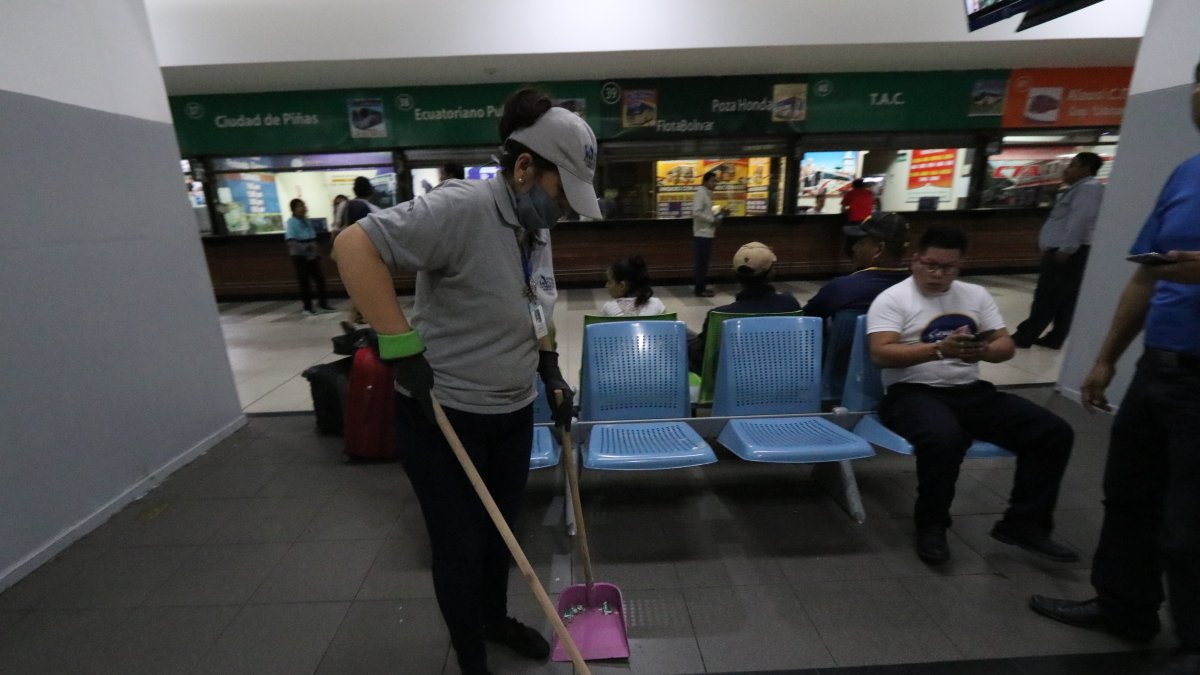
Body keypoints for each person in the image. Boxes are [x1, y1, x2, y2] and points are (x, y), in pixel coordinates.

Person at [333, 88, 601, 675]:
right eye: (563, 195)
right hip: (444, 414)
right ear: (525, 166)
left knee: (502, 535)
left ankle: (492, 618)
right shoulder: (462, 207)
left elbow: (537, 302)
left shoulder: (535, 225)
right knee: (460, 545)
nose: (566, 212)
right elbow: (353, 246)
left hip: (510, 410)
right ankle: (472, 656)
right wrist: (401, 345)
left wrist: (549, 366)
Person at [1029, 66, 1200, 675]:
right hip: (1160, 369)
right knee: (1129, 497)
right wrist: (1105, 357)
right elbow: (1144, 274)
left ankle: (1193, 644)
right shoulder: (1186, 172)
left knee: (1189, 526)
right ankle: (1123, 607)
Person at [867, 226, 1076, 566]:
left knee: (1053, 432)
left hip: (969, 391)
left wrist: (982, 351)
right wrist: (938, 350)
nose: (937, 274)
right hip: (911, 393)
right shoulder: (893, 299)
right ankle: (932, 525)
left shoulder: (975, 295)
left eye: (948, 268)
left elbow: (1005, 346)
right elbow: (881, 353)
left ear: (962, 265)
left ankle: (1024, 523)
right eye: (930, 264)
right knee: (944, 438)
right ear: (915, 261)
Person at [1010, 152, 1105, 349]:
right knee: (1065, 298)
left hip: (1067, 253)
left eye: (1072, 165)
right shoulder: (1079, 189)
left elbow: (1079, 220)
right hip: (1069, 250)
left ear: (1085, 168)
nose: (1066, 170)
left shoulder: (1088, 189)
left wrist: (1066, 248)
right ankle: (1056, 337)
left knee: (1048, 295)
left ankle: (1025, 336)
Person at [688, 241, 800, 371]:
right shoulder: (789, 304)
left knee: (687, 338)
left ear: (734, 274)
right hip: (784, 380)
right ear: (771, 273)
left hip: (729, 386)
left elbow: (702, 358)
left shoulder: (720, 315)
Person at [804, 213, 911, 320]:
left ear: (878, 249)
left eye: (860, 243)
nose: (854, 248)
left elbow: (806, 319)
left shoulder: (842, 288)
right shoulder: (918, 288)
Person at [284, 198, 334, 315]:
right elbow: (291, 240)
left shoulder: (306, 221)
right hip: (300, 257)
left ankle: (323, 303)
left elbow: (312, 236)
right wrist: (305, 249)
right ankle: (307, 307)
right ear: (294, 209)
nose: (303, 208)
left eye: (303, 205)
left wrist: (315, 251)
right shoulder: (291, 222)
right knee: (305, 282)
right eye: (299, 206)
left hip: (312, 256)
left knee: (320, 279)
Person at [692, 169, 726, 297]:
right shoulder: (701, 193)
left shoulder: (707, 194)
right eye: (713, 181)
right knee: (701, 263)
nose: (715, 184)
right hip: (702, 234)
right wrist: (712, 219)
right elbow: (696, 212)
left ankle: (702, 287)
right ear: (705, 181)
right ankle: (699, 289)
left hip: (707, 233)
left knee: (704, 263)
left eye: (716, 181)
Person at [601, 254, 667, 316]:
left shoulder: (608, 308)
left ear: (622, 286)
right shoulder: (658, 305)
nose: (606, 285)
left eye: (609, 281)